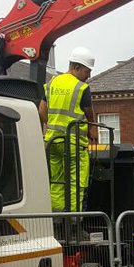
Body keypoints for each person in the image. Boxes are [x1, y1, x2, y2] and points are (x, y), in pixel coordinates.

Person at [39, 47, 98, 212]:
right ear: (77, 68)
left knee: (56, 181)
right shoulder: (81, 88)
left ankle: (56, 218)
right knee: (76, 183)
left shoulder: (51, 83)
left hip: (52, 142)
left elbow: (41, 111)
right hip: (73, 144)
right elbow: (89, 113)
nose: (89, 76)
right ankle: (73, 221)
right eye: (87, 71)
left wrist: (51, 124)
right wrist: (92, 129)